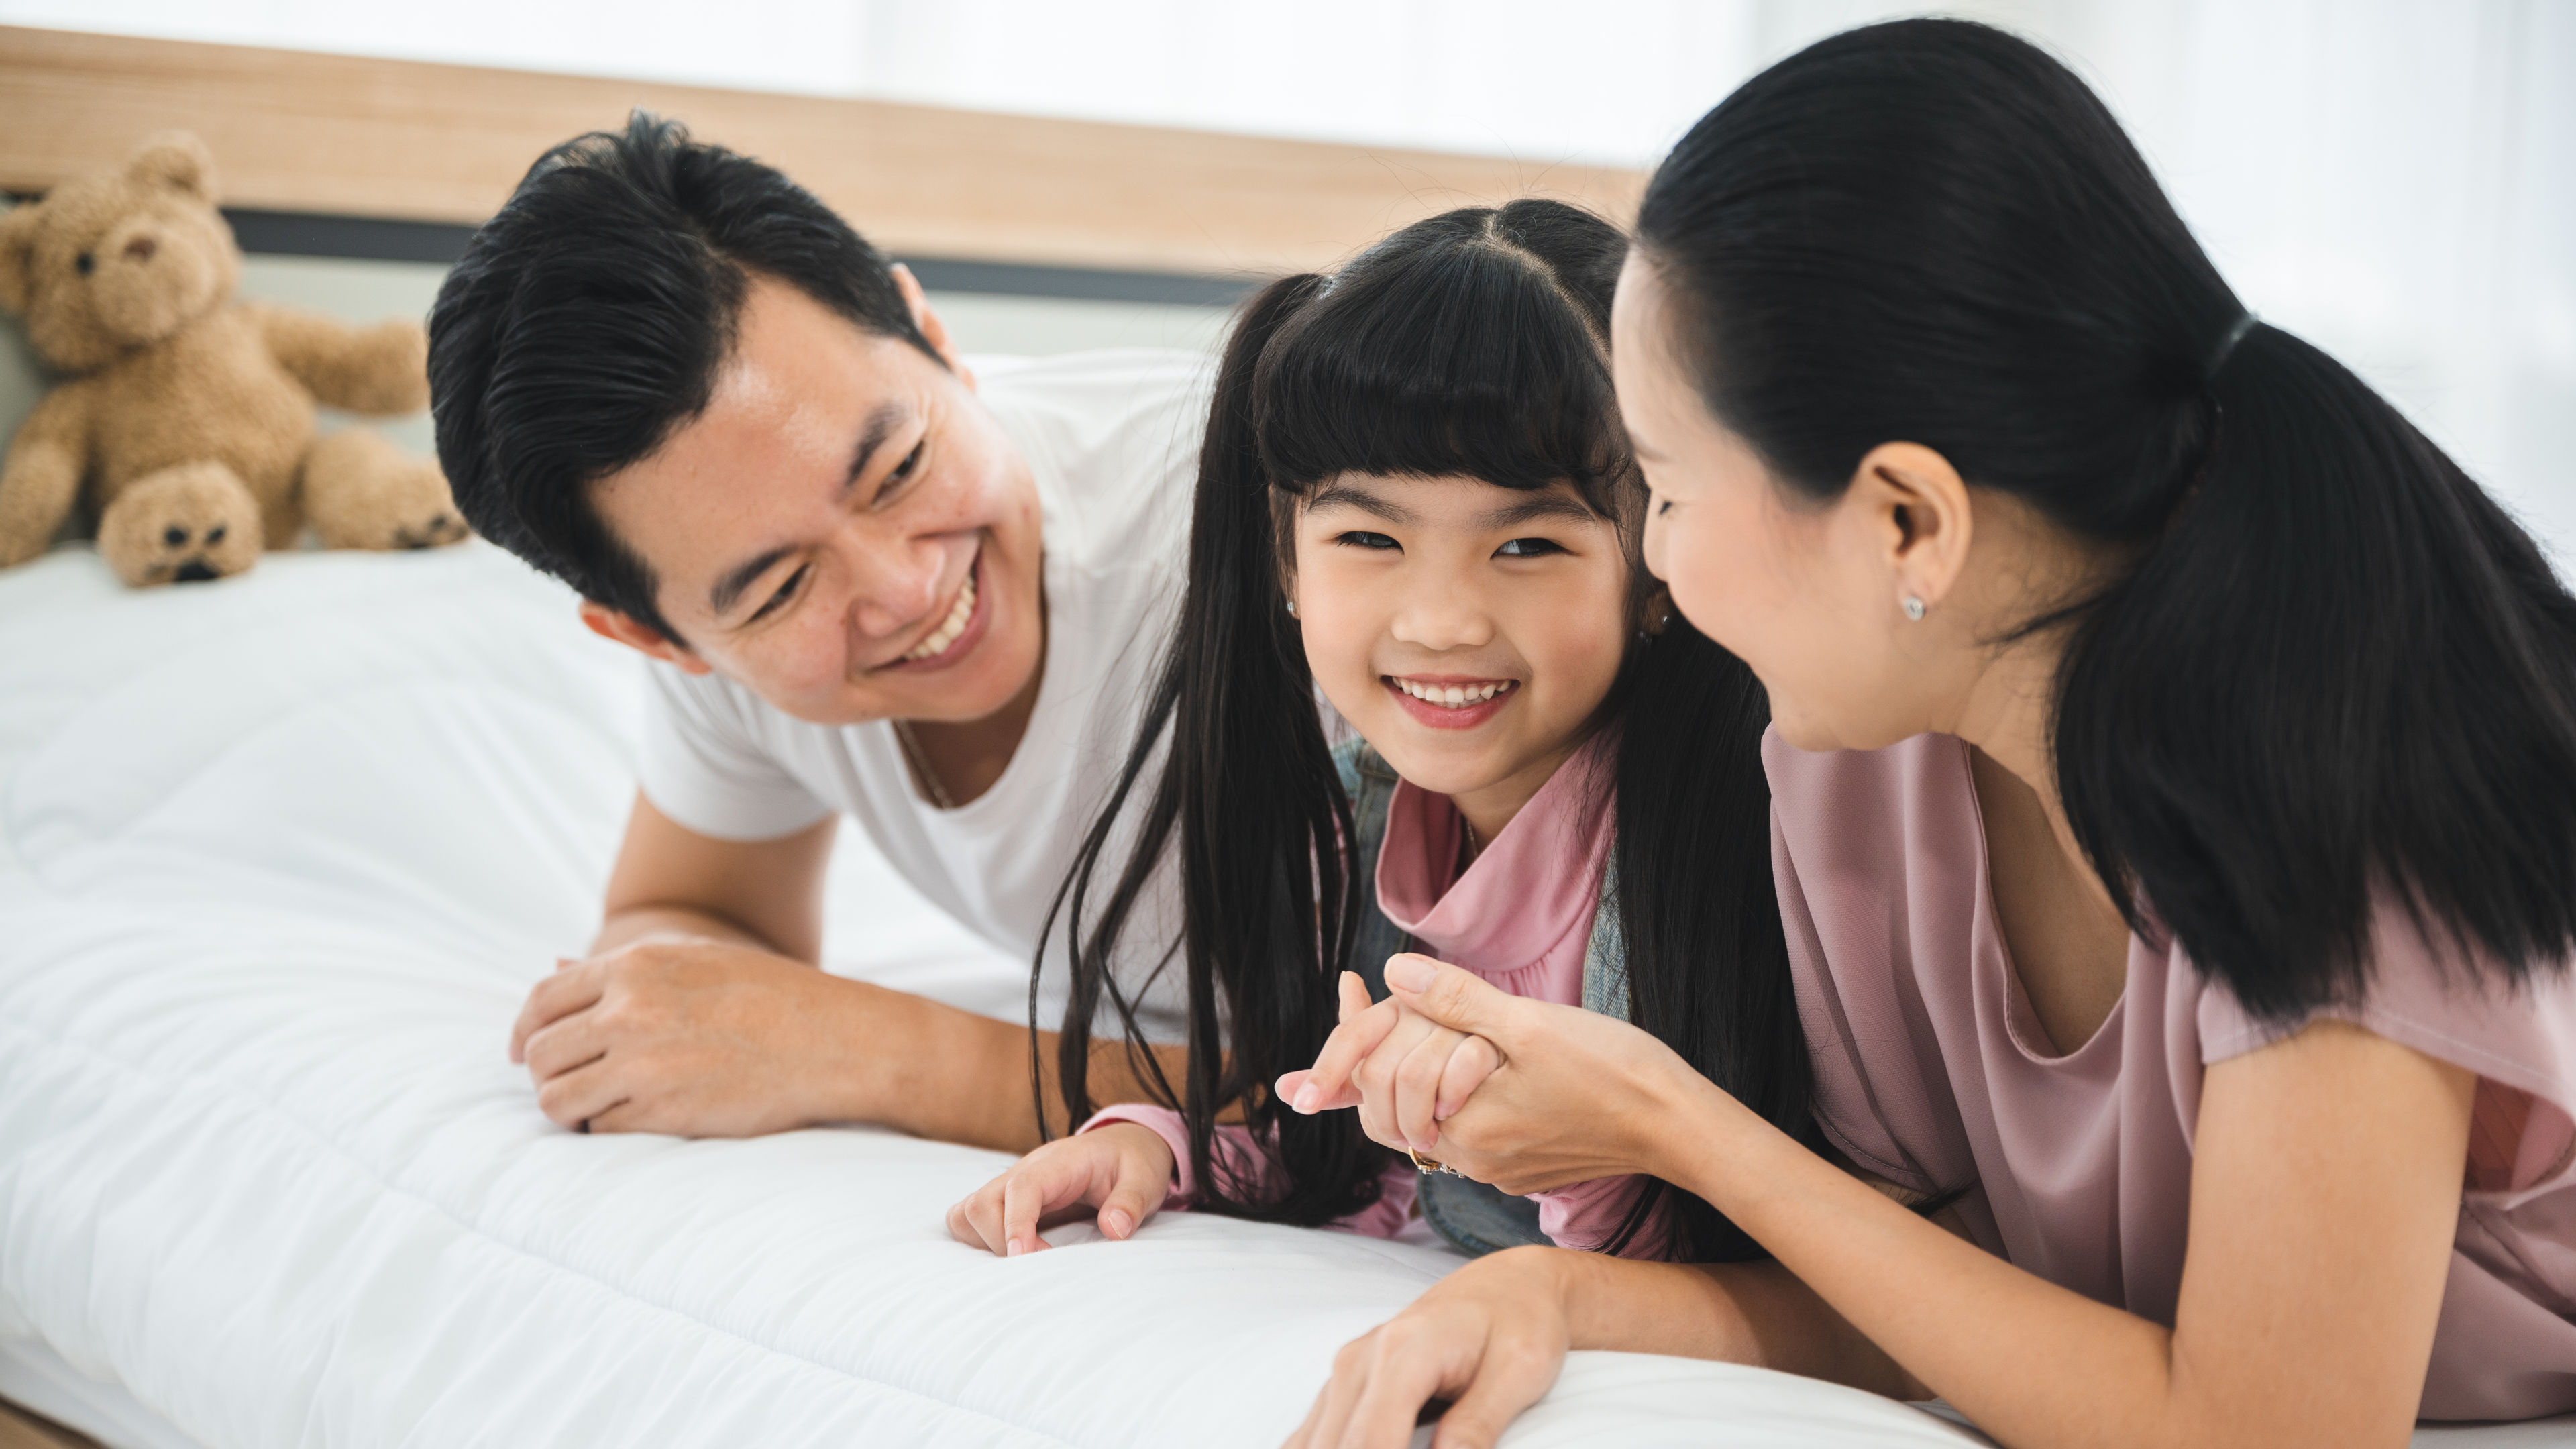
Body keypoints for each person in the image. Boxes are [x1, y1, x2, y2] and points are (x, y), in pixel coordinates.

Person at [1281, 19, 2576, 1449]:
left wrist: (1670, 1120)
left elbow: (2269, 1429)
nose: (1663, 562)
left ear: (1908, 522)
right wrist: (1553, 1296)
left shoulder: (2328, 788)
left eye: (1671, 487)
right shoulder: (1848, 778)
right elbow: (1914, 1280)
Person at [943, 201, 1810, 1264]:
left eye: (1530, 546)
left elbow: (1760, 1255)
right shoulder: (1359, 810)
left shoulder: (1744, 838)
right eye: (1366, 536)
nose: (1442, 621)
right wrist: (1160, 1151)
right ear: (1285, 558)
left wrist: (1564, 1148)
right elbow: (1352, 1155)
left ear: (1659, 556)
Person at [427, 113, 1211, 1147]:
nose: (905, 587)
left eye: (897, 471)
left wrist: (868, 1048)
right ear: (660, 639)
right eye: (783, 588)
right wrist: (660, 1010)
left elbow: (1425, 1107)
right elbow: (704, 921)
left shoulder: (1266, 529)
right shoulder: (715, 636)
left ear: (933, 338)